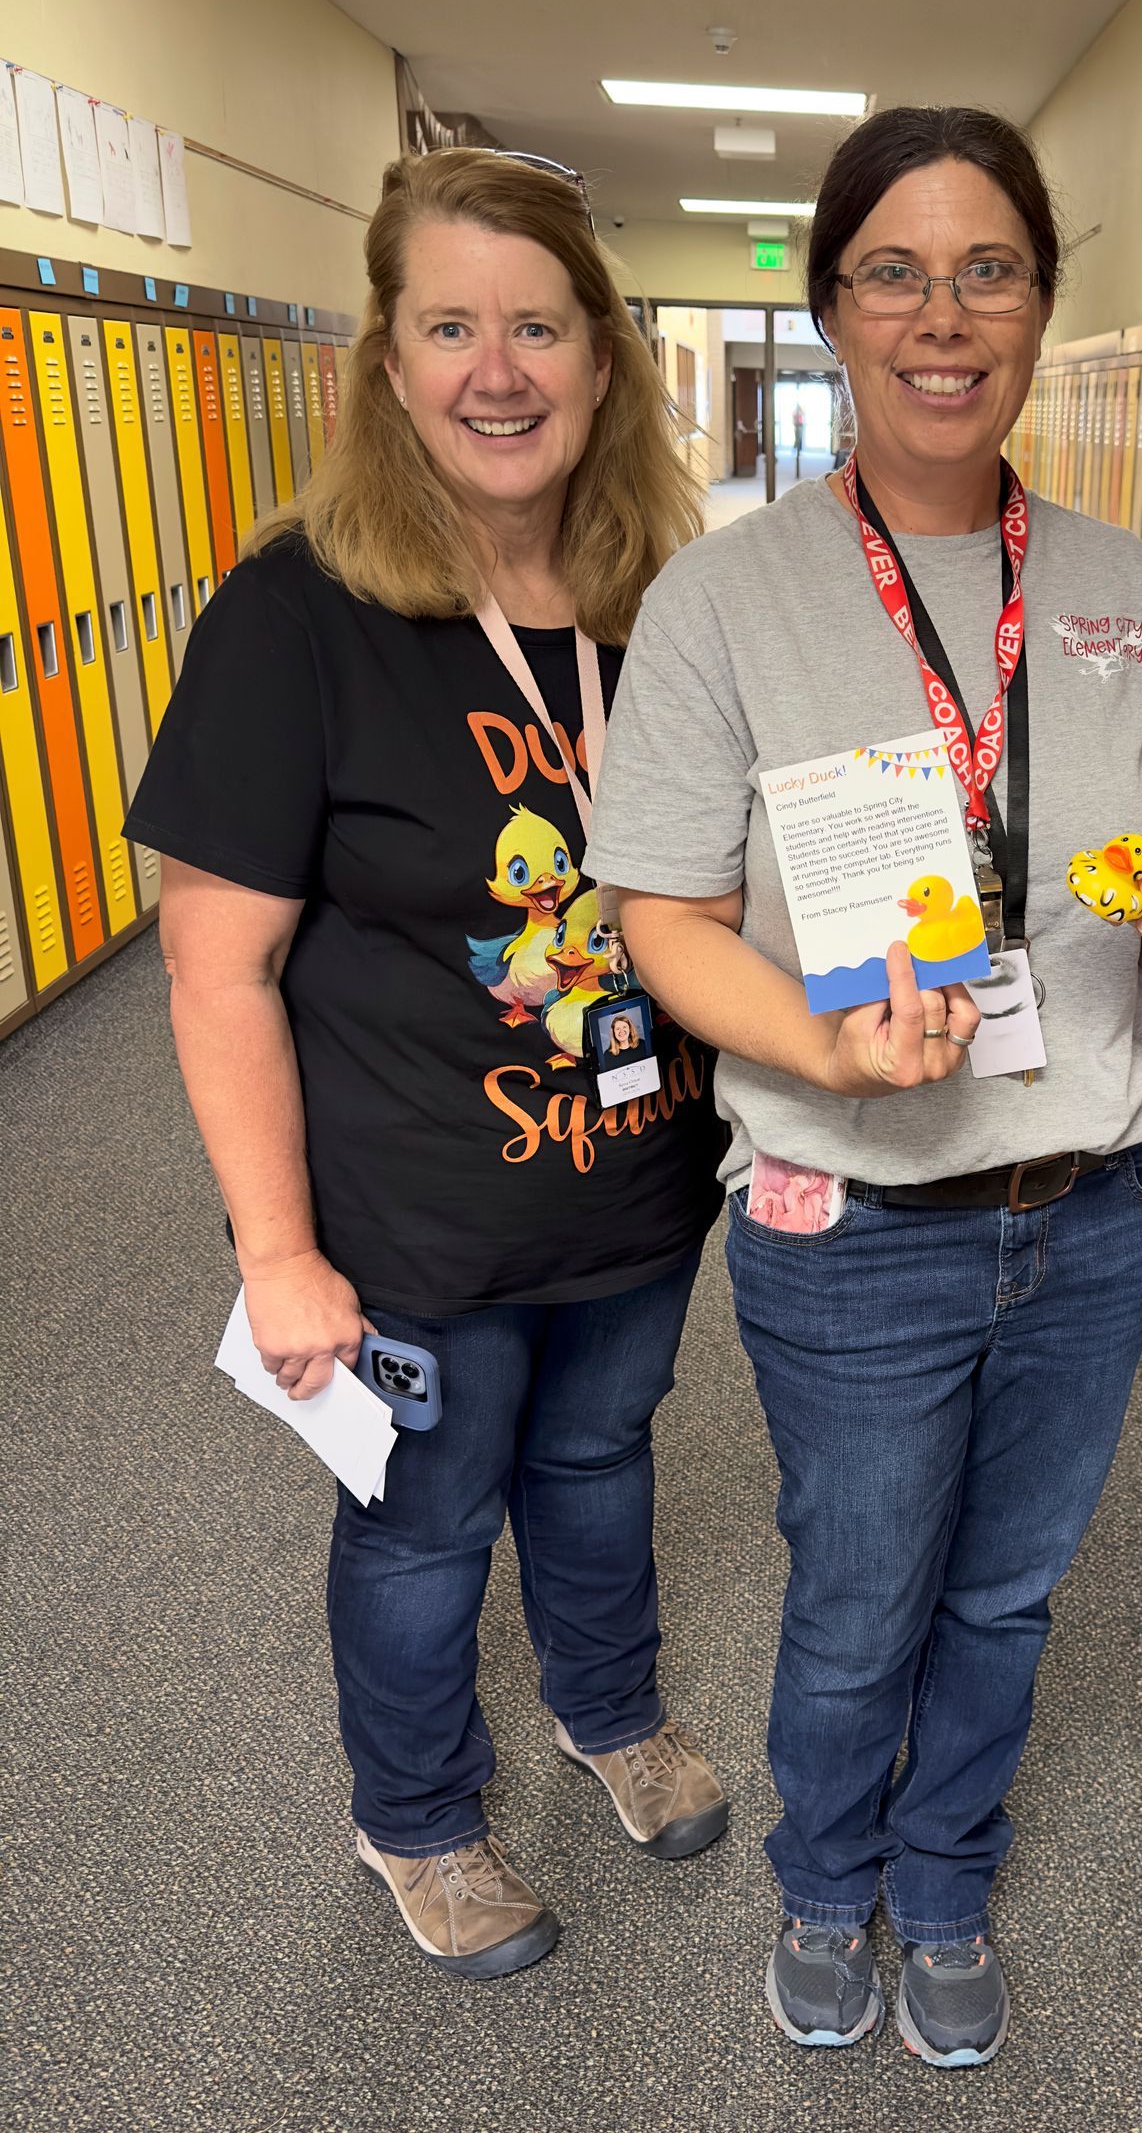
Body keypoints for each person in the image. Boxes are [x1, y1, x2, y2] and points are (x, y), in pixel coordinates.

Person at [588, 105, 1142, 2066]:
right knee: (864, 1589)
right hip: (853, 1214)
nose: (942, 314)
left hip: (1103, 1206)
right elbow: (667, 915)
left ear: (1043, 305)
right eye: (895, 268)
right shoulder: (731, 597)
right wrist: (823, 1041)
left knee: (1009, 1591)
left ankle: (946, 1877)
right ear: (833, 304)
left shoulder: (1124, 581)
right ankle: (828, 1874)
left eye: (990, 269)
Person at [126, 149, 730, 1982]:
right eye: (450, 325)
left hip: (635, 1178)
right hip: (410, 1216)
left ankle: (604, 1708)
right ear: (388, 365)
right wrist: (275, 1250)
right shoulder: (296, 615)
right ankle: (418, 1820)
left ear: (602, 362)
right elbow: (215, 968)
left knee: (604, 1460)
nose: (498, 368)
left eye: (537, 326)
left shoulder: (659, 605)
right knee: (421, 1527)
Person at [791, 399, 806, 476]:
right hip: (797, 426)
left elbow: (803, 414)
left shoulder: (800, 411)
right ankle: (794, 450)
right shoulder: (794, 412)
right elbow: (793, 418)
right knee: (797, 439)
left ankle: (798, 451)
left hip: (800, 425)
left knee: (800, 439)